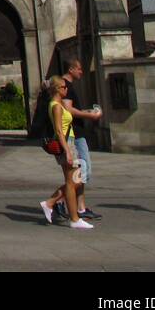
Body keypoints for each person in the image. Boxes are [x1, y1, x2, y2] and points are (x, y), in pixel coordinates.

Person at [38, 75, 92, 230]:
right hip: (66, 144)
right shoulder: (55, 106)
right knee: (73, 181)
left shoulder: (59, 104)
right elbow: (59, 131)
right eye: (63, 87)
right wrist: (68, 151)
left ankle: (51, 204)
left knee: (75, 180)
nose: (66, 89)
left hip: (69, 143)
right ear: (57, 89)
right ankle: (73, 218)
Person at [60, 58, 102, 221]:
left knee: (80, 172)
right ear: (71, 69)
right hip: (74, 133)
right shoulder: (65, 86)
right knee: (83, 170)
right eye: (79, 69)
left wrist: (86, 111)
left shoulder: (67, 85)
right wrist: (89, 115)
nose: (81, 72)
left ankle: (80, 206)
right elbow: (67, 109)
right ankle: (56, 200)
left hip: (76, 132)